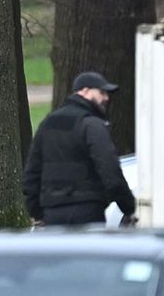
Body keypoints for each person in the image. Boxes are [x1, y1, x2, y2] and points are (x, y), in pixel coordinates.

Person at [22, 71, 136, 226]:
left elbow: (32, 173)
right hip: (87, 211)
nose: (106, 98)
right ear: (85, 91)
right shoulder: (91, 125)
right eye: (102, 92)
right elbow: (110, 170)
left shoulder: (48, 124)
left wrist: (36, 211)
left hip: (52, 213)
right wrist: (129, 208)